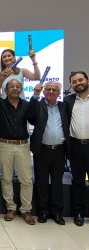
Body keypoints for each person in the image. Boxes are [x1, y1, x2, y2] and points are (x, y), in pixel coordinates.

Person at [0, 76, 35, 225]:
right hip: (4, 145)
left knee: (27, 180)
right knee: (6, 179)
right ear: (6, 90)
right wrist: (1, 79)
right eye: (12, 86)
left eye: (18, 86)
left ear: (21, 89)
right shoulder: (0, 104)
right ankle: (10, 208)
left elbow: (34, 120)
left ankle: (26, 210)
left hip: (23, 145)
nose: (15, 88)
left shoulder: (27, 105)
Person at [27, 82, 68, 225]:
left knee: (57, 183)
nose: (51, 91)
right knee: (41, 182)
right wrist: (35, 95)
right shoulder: (38, 105)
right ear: (44, 92)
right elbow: (30, 117)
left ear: (59, 92)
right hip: (42, 150)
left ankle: (57, 213)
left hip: (59, 150)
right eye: (48, 89)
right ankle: (43, 211)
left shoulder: (64, 106)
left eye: (54, 90)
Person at [64, 71, 89, 226]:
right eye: (74, 81)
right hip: (76, 146)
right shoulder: (68, 100)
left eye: (80, 80)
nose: (78, 83)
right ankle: (78, 212)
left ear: (87, 80)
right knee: (78, 181)